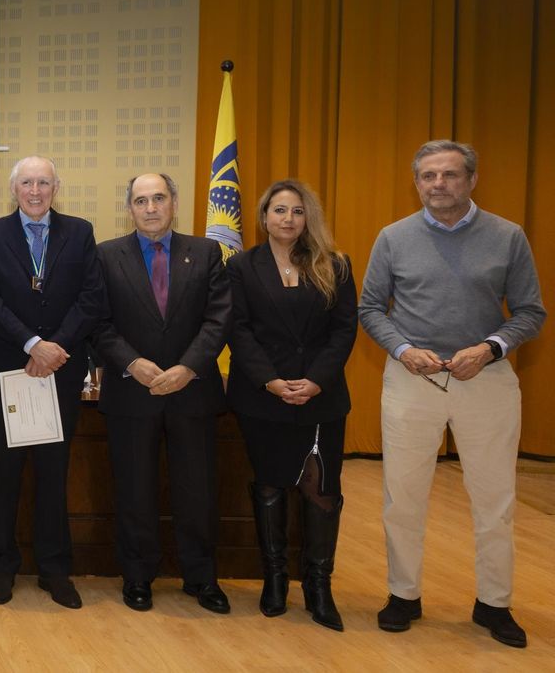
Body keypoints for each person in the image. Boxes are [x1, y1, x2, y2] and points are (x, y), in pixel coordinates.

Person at [359, 140, 546, 649]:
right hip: (411, 380)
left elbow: (531, 311)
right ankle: (403, 595)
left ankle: (494, 604)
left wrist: (490, 347)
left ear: (471, 179)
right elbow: (371, 307)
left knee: (494, 498)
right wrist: (401, 349)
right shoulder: (393, 237)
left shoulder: (507, 236)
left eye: (449, 175)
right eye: (427, 176)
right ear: (416, 182)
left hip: (485, 380)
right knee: (403, 496)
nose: (438, 184)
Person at [92, 172, 231, 614]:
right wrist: (132, 362)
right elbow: (97, 322)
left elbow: (219, 318)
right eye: (140, 200)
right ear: (129, 208)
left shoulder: (206, 252)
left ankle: (201, 577)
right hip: (132, 392)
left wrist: (189, 367)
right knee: (135, 490)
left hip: (192, 393)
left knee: (197, 490)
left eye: (158, 198)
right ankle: (137, 576)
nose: (150, 208)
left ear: (174, 202)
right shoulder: (106, 255)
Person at [0, 156, 106, 609]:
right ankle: (2, 566)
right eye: (27, 182)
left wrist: (54, 347)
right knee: (5, 473)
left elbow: (92, 297)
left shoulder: (80, 232)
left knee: (54, 472)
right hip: (9, 367)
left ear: (55, 187)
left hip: (62, 369)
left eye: (43, 182)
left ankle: (54, 570)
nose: (35, 190)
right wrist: (32, 343)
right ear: (14, 189)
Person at [226, 180, 355, 630]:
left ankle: (319, 587)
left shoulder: (335, 264)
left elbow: (344, 330)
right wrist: (272, 381)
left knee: (320, 491)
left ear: (308, 218)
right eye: (278, 210)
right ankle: (275, 580)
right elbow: (238, 330)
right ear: (263, 218)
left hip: (321, 398)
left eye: (297, 211)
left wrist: (316, 381)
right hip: (264, 395)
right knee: (270, 485)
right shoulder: (241, 266)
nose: (287, 219)